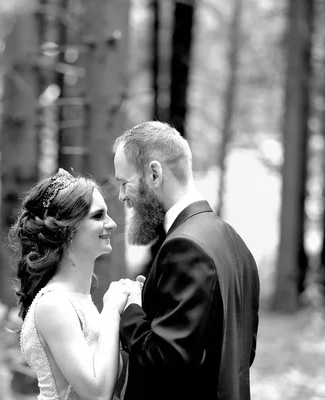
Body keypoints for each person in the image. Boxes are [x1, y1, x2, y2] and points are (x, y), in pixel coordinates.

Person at [112, 121, 261, 400]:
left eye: (124, 183)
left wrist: (132, 309)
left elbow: (165, 361)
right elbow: (243, 354)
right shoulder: (235, 242)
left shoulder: (184, 247)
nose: (122, 196)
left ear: (154, 173)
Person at [10, 168, 131, 400]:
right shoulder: (54, 304)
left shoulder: (77, 299)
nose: (112, 223)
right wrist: (112, 312)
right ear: (68, 229)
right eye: (98, 216)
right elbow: (96, 394)